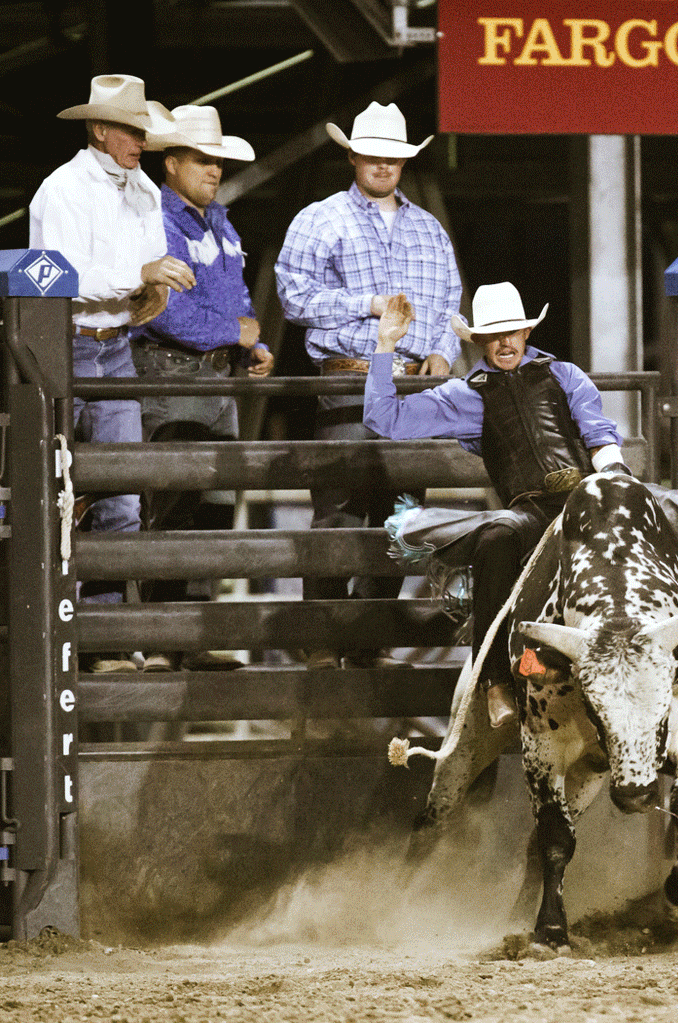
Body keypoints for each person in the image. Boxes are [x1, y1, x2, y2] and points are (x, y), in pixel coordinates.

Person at [364, 283, 678, 728]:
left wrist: (614, 480)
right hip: (531, 511)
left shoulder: (564, 374)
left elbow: (598, 434)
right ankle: (494, 680)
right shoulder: (463, 394)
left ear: (526, 332)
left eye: (512, 332)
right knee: (496, 538)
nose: (505, 343)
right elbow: (384, 417)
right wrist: (385, 346)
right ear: (480, 341)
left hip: (592, 493)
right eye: (494, 336)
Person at [275, 101, 462, 669]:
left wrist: (442, 350)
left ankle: (368, 637)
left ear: (403, 164)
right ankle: (322, 636)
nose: (383, 166)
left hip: (412, 387)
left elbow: (449, 303)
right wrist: (369, 304)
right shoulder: (321, 219)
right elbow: (293, 296)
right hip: (350, 378)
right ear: (354, 157)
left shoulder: (428, 229)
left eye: (393, 158)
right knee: (340, 510)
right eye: (373, 156)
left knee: (403, 515)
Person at [29, 74, 196, 674]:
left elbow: (142, 270)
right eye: (131, 130)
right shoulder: (61, 190)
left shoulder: (143, 189)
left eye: (143, 132)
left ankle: (106, 641)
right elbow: (59, 277)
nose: (141, 142)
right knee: (53, 495)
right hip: (63, 348)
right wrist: (141, 275)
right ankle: (56, 637)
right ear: (100, 130)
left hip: (114, 347)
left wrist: (150, 290)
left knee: (122, 497)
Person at [129, 105, 274, 673]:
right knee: (173, 505)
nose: (214, 170)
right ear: (172, 163)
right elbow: (164, 312)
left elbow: (234, 297)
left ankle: (191, 635)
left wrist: (251, 342)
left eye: (218, 161)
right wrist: (236, 332)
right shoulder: (158, 221)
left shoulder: (217, 223)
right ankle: (164, 641)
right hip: (173, 374)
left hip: (215, 378)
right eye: (201, 160)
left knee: (212, 507)